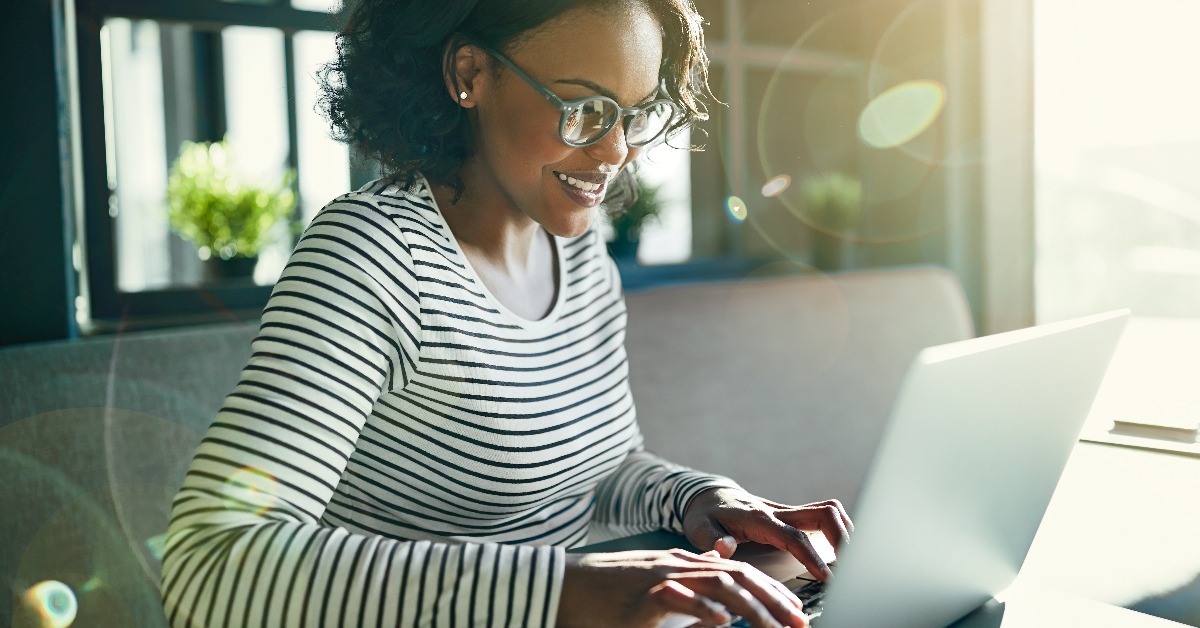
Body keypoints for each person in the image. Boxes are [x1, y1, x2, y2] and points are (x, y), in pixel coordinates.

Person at [160, 1, 853, 626]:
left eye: (634, 114)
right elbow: (212, 561)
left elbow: (600, 468)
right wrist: (567, 588)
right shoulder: (372, 255)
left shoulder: (577, 252)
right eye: (584, 109)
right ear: (470, 74)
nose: (615, 153)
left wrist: (700, 499)